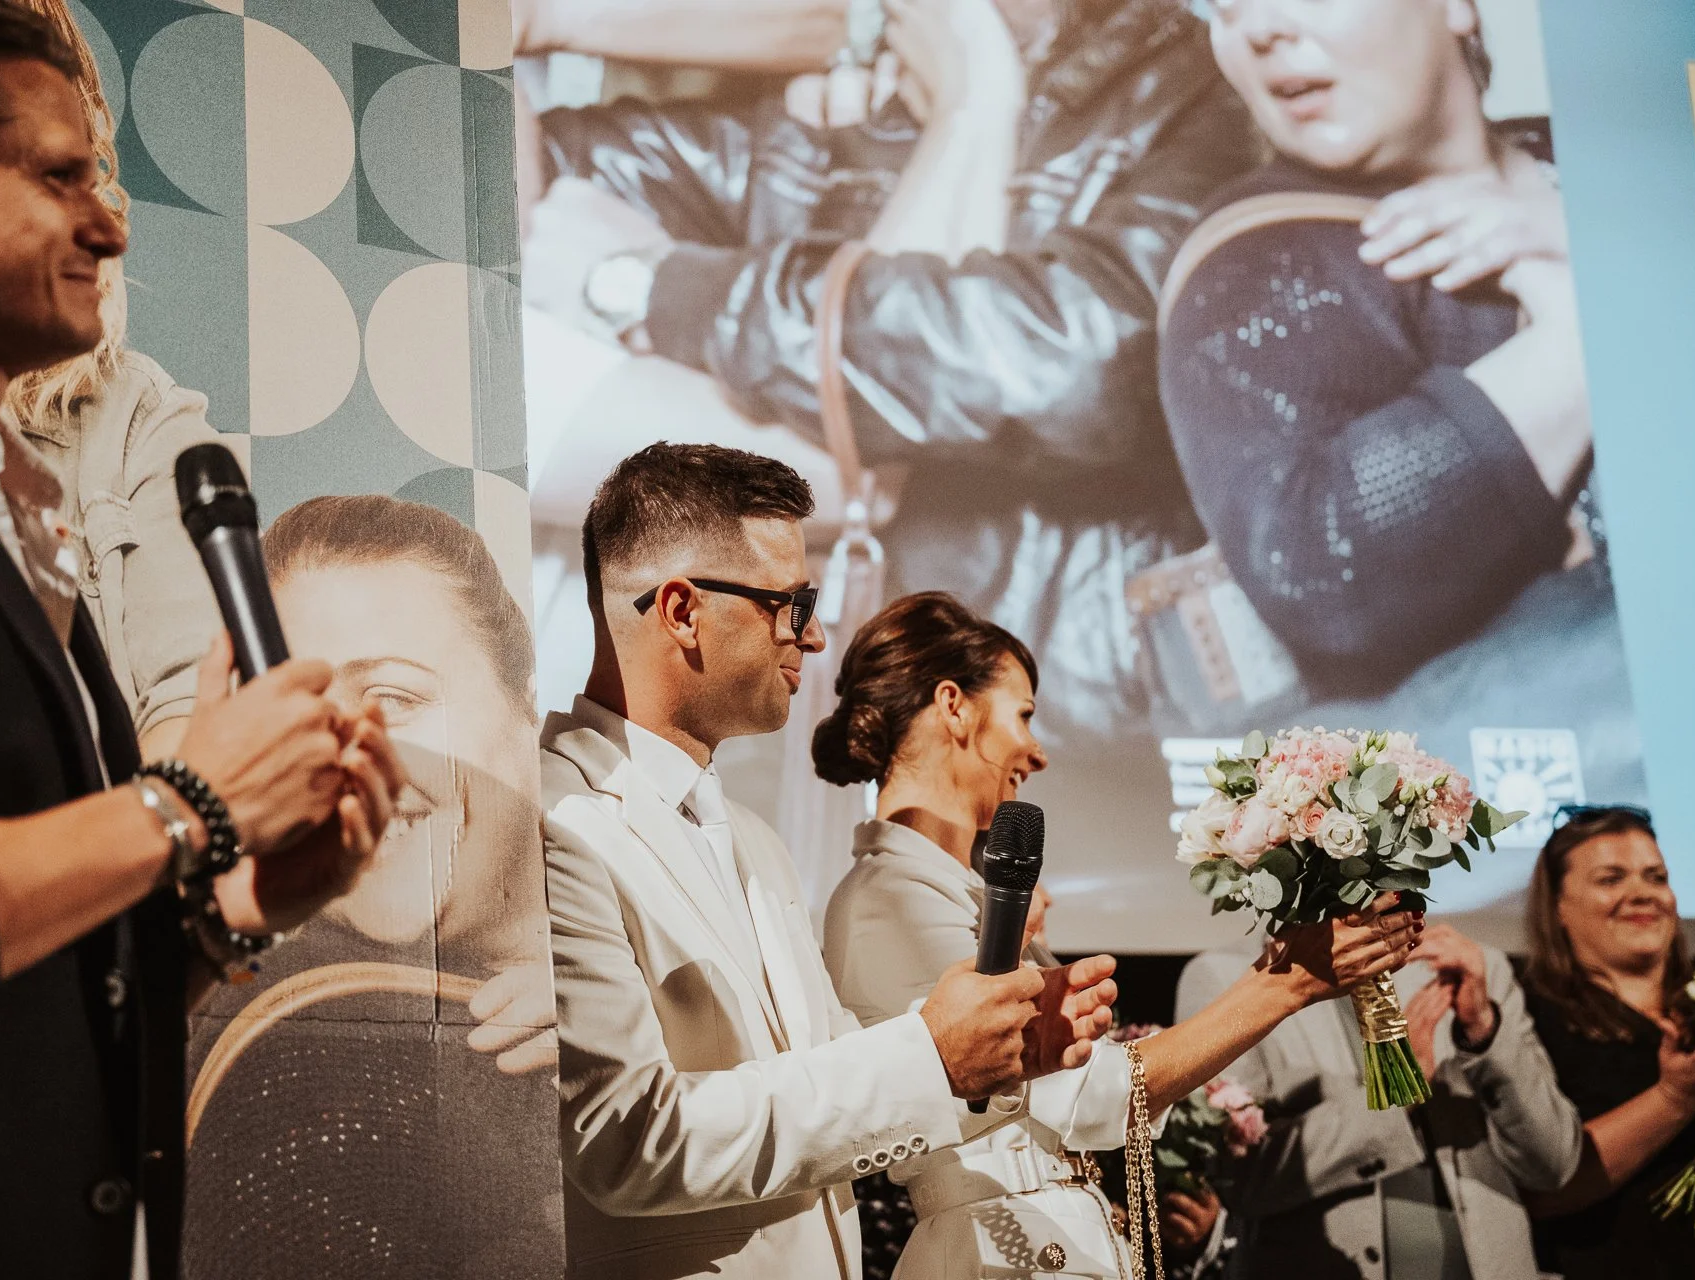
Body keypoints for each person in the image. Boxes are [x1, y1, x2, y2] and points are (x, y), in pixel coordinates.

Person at [0, 5, 403, 1279]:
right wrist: (185, 805)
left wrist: (226, 918)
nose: (114, 224)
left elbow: (19, 974)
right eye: (60, 176)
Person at [525, 0, 1262, 758]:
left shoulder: (1215, 85)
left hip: (1062, 722)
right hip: (821, 728)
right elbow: (507, 195)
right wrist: (526, 21)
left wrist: (666, 288)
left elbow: (1066, 366)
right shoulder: (833, 107)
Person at [542, 442, 1119, 1279]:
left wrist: (1002, 1051)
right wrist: (928, 1055)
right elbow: (628, 1137)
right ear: (681, 610)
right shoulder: (557, 822)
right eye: (792, 604)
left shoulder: (755, 838)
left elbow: (827, 1066)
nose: (813, 636)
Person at [814, 591, 1424, 1278]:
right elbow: (1090, 1097)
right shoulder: (887, 899)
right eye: (1024, 716)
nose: (1037, 753)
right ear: (953, 705)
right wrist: (1285, 984)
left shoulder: (963, 898)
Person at [1154, 0, 1637, 810]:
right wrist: (1584, 338)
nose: (1259, 29)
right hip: (1518, 825)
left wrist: (1605, 239)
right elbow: (1320, 573)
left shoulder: (1625, 173)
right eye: (1226, 5)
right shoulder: (1255, 258)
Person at [181, 494, 558, 1277]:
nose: (346, 763)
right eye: (302, 722)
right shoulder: (305, 1048)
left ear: (526, 711)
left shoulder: (632, 920)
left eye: (395, 699)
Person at [1, 0, 234, 759]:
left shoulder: (137, 417)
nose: (107, 231)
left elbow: (190, 707)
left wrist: (175, 809)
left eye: (83, 170)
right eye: (46, 175)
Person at [1176, 916, 1582, 1280]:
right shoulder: (1227, 980)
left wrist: (1485, 1033)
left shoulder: (1469, 964)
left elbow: (1554, 1165)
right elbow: (1239, 1180)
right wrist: (1395, 1090)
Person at [1519, 805, 1695, 1278]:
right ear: (1558, 907)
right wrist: (1675, 1099)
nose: (1642, 893)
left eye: (1656, 877)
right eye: (1611, 879)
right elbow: (1541, 1190)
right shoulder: (1529, 1019)